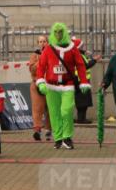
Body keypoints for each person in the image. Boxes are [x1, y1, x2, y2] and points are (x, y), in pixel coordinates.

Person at [35, 22, 90, 150]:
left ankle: (67, 137)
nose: (58, 34)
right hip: (51, 86)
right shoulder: (48, 48)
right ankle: (58, 138)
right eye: (56, 32)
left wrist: (83, 81)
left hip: (67, 85)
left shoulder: (72, 48)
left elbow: (80, 65)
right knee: (54, 114)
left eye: (60, 32)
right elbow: (41, 66)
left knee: (67, 111)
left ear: (64, 32)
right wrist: (40, 81)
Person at [27, 34, 52, 141]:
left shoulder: (52, 54)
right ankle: (37, 130)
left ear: (48, 43)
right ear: (38, 43)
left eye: (44, 41)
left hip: (50, 84)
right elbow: (32, 69)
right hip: (36, 84)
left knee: (50, 108)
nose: (42, 43)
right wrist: (41, 59)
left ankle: (48, 129)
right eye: (40, 42)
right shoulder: (34, 55)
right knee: (37, 108)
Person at [71, 37, 98, 124]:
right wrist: (94, 60)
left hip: (82, 80)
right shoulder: (78, 55)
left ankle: (81, 118)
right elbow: (85, 65)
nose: (83, 47)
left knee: (83, 100)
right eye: (82, 46)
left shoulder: (80, 54)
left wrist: (86, 54)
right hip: (80, 80)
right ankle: (81, 119)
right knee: (82, 101)